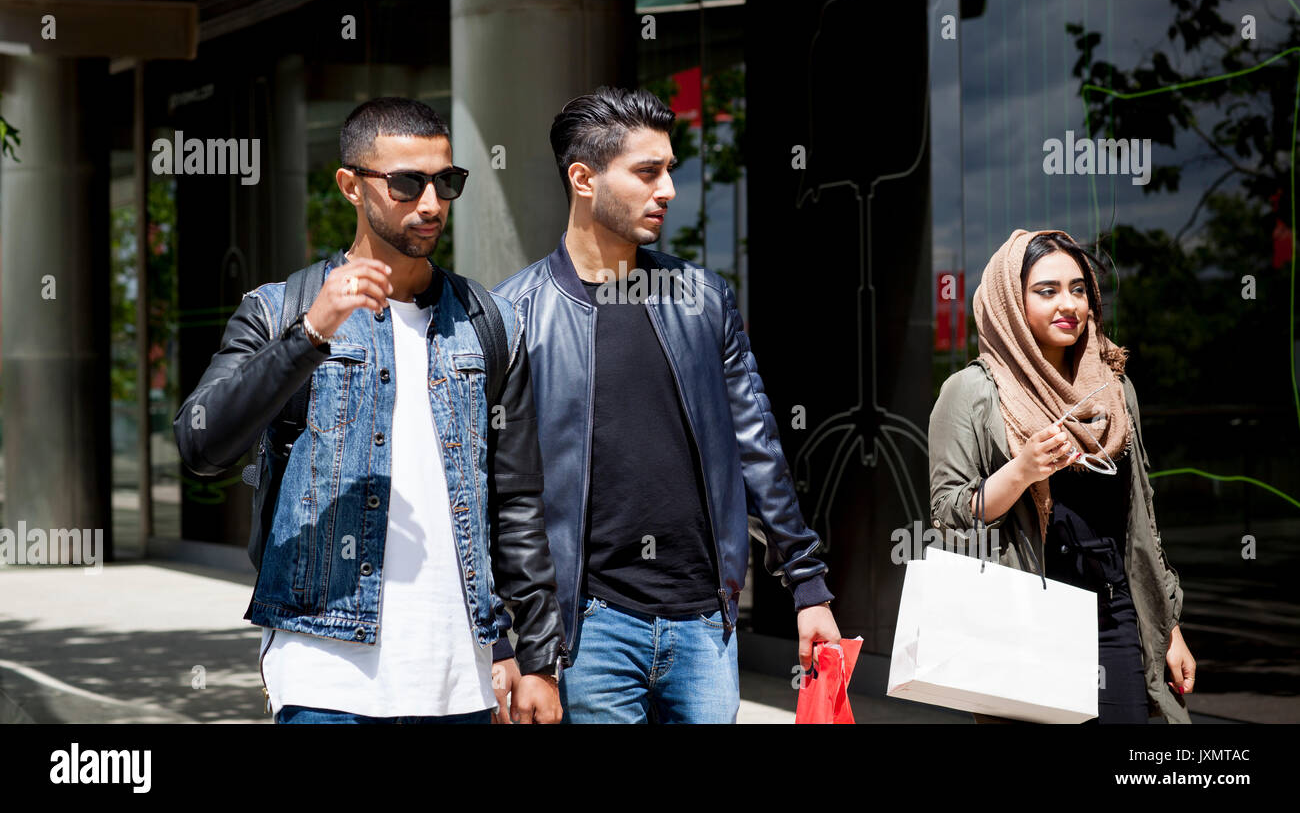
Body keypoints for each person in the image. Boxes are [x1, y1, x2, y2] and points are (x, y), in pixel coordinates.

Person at [173, 97, 566, 724]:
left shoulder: (489, 323)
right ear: (351, 186)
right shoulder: (279, 309)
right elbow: (201, 446)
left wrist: (538, 656)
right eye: (407, 183)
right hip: (326, 679)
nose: (431, 204)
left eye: (447, 182)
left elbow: (516, 499)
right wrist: (310, 335)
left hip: (460, 685)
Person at [492, 86, 842, 723]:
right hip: (588, 630)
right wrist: (503, 638)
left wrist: (806, 583)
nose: (668, 191)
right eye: (646, 172)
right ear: (583, 179)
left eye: (669, 171)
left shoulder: (702, 299)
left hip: (706, 624)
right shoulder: (514, 316)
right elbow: (495, 492)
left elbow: (755, 443)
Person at [928, 228, 1195, 723]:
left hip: (1114, 613)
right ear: (1011, 299)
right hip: (1025, 614)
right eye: (1046, 290)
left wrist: (1168, 627)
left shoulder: (1114, 391)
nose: (1068, 303)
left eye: (1078, 289)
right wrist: (1023, 470)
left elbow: (1141, 525)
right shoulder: (970, 392)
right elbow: (949, 514)